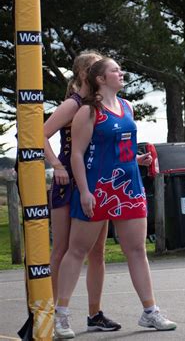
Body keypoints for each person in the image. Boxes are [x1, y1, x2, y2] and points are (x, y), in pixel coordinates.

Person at [54, 57, 176, 338]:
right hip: (98, 187)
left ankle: (150, 312)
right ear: (100, 79)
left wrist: (138, 159)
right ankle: (61, 315)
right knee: (77, 251)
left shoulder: (126, 107)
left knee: (136, 250)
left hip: (129, 185)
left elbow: (121, 147)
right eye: (115, 70)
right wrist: (84, 191)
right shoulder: (87, 111)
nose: (121, 73)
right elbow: (77, 154)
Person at [44, 51, 122, 332]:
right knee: (63, 248)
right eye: (95, 68)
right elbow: (39, 134)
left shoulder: (98, 106)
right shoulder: (72, 104)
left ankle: (95, 313)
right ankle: (54, 314)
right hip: (67, 183)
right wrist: (56, 165)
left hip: (92, 181)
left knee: (98, 252)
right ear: (83, 74)